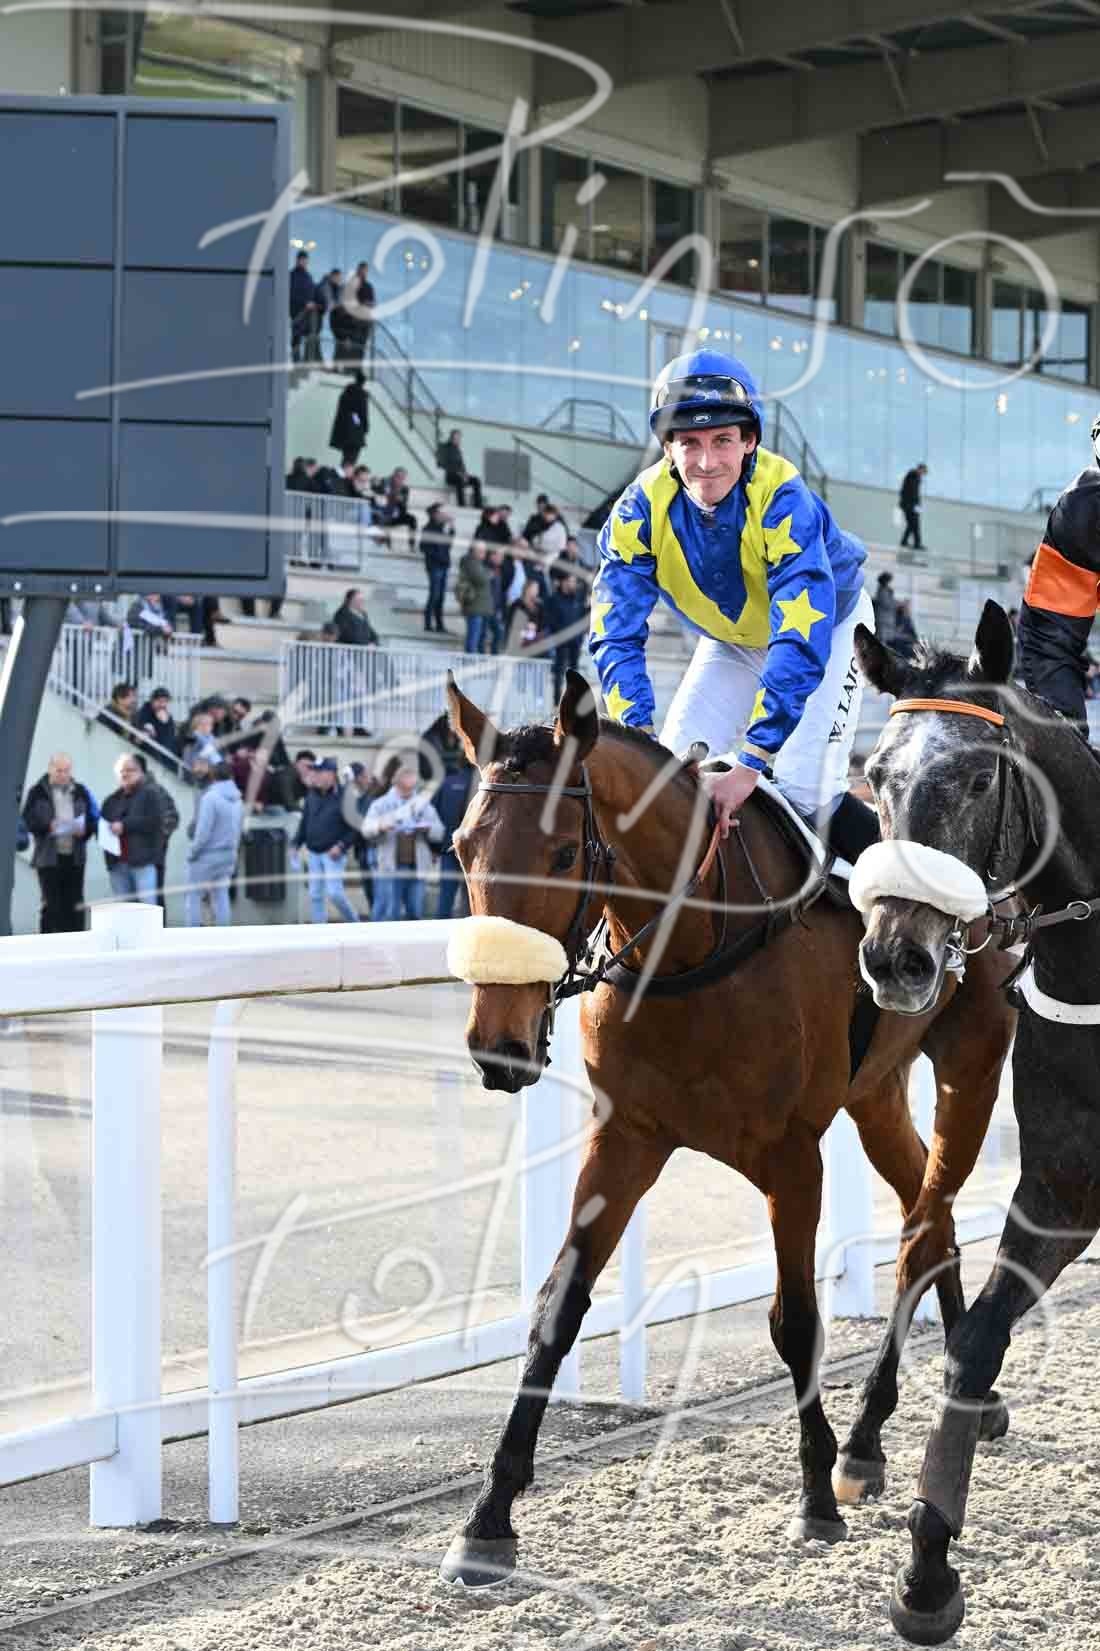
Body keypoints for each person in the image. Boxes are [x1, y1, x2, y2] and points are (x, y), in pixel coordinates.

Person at [589, 349, 874, 850]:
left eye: (722, 440)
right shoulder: (637, 510)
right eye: (689, 443)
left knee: (804, 786)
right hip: (732, 640)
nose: (706, 462)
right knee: (671, 778)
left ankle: (909, 880)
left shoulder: (782, 494)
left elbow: (800, 631)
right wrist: (637, 736)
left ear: (749, 441)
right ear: (668, 448)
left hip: (828, 630)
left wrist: (751, 762)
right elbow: (615, 635)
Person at [1016, 414, 1100, 729]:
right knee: (1066, 740)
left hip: (1059, 641)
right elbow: (1050, 641)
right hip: (1050, 643)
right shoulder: (1084, 506)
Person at [22, 753, 97, 933]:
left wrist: (85, 830)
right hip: (48, 858)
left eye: (66, 770)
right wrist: (47, 826)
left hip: (75, 857)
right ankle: (49, 942)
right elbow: (27, 820)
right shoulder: (37, 791)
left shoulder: (81, 791)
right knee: (51, 905)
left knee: (75, 904)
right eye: (59, 770)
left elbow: (93, 819)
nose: (63, 774)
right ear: (50, 769)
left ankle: (76, 941)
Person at [360, 765, 444, 921]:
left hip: (416, 866)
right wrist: (380, 826)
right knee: (389, 913)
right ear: (396, 783)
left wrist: (428, 828)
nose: (409, 792)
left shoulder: (423, 805)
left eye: (411, 788)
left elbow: (440, 832)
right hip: (390, 866)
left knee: (415, 912)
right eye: (405, 788)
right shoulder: (381, 804)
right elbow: (366, 829)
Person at [419, 714, 475, 919]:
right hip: (473, 852)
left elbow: (430, 815)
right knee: (472, 903)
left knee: (445, 900)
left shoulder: (447, 783)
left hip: (449, 849)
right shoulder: (483, 787)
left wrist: (434, 848)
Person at [293, 757, 360, 923]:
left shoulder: (345, 796)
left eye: (318, 772)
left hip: (333, 854)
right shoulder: (311, 795)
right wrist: (295, 844)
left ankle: (355, 923)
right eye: (314, 772)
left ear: (331, 774)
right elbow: (305, 823)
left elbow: (355, 828)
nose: (314, 776)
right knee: (315, 894)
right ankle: (320, 931)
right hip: (314, 853)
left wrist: (341, 846)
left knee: (335, 893)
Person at [184, 758, 244, 926]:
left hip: (207, 855)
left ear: (213, 776)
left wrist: (192, 853)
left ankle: (190, 935)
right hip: (228, 855)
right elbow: (238, 832)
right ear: (231, 776)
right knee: (221, 896)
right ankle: (224, 935)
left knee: (193, 895)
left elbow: (203, 833)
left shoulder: (210, 798)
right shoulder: (238, 800)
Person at [100, 752, 164, 904]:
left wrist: (125, 825)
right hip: (117, 865)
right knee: (124, 912)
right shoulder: (110, 801)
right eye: (122, 771)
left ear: (140, 773)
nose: (125, 774)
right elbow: (102, 826)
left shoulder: (150, 794)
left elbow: (154, 822)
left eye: (130, 770)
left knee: (147, 910)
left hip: (143, 863)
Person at [132, 752, 180, 914]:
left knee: (154, 897)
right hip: (134, 856)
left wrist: (157, 841)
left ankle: (158, 929)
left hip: (152, 855)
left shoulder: (154, 790)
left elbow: (172, 817)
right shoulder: (130, 791)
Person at [544, 573, 588, 702]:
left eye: (574, 581)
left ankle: (574, 700)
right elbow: (550, 619)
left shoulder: (578, 599)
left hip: (575, 641)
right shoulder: (554, 599)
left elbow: (582, 617)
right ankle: (557, 701)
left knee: (575, 672)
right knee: (559, 671)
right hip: (561, 641)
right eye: (570, 581)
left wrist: (580, 635)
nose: (572, 584)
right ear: (563, 582)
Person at [421, 502, 455, 634]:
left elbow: (448, 545)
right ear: (435, 514)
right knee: (434, 595)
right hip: (435, 566)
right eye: (441, 513)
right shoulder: (428, 528)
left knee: (441, 596)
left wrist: (451, 529)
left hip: (443, 565)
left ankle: (440, 625)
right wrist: (437, 556)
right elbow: (423, 547)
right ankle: (428, 623)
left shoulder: (442, 528)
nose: (444, 515)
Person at [456, 541, 494, 655]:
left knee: (481, 638)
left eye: (484, 551)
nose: (484, 554)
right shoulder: (470, 563)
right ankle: (469, 662)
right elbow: (481, 579)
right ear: (474, 551)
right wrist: (489, 574)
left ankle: (479, 661)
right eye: (481, 551)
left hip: (482, 607)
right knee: (473, 639)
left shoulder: (480, 564)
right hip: (474, 607)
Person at [329, 370, 369, 466]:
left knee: (346, 457)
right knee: (351, 459)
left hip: (343, 431)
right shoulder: (361, 394)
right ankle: (345, 473)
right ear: (363, 382)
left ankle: (344, 472)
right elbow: (362, 414)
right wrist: (364, 427)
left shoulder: (345, 393)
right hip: (354, 433)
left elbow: (342, 411)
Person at [289, 250, 322, 364]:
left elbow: (314, 292)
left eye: (305, 260)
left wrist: (319, 304)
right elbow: (291, 294)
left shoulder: (308, 276)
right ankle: (296, 362)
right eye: (302, 260)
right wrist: (305, 303)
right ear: (297, 260)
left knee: (310, 336)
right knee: (296, 337)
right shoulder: (292, 276)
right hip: (297, 312)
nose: (304, 262)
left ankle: (307, 361)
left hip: (309, 313)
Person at [437, 428, 482, 509]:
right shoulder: (444, 447)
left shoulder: (457, 449)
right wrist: (459, 474)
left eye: (459, 438)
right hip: (451, 476)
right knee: (459, 480)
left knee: (476, 480)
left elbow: (461, 465)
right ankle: (462, 505)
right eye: (456, 437)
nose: (458, 439)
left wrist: (465, 475)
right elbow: (442, 464)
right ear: (451, 437)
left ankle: (478, 505)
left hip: (460, 475)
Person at [134, 686, 179, 761]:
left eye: (165, 701)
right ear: (152, 701)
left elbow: (170, 738)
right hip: (147, 755)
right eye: (159, 701)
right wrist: (162, 724)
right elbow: (142, 734)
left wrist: (165, 723)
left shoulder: (167, 716)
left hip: (164, 756)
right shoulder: (144, 713)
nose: (162, 705)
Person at [504, 578, 545, 655]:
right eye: (534, 588)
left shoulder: (539, 605)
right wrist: (526, 625)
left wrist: (535, 627)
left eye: (537, 589)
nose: (536, 591)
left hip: (535, 636)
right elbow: (511, 622)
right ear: (527, 589)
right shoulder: (517, 604)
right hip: (519, 636)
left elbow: (543, 623)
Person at [380, 467, 418, 548]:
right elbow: (382, 494)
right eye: (398, 477)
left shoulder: (405, 489)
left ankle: (412, 544)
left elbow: (404, 507)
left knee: (412, 519)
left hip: (397, 515)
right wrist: (392, 494)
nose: (400, 480)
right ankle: (387, 545)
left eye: (403, 478)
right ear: (393, 476)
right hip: (385, 513)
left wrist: (400, 501)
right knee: (385, 520)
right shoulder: (386, 483)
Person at [899, 462, 927, 550]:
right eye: (923, 472)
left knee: (911, 524)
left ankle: (904, 541)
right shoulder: (913, 476)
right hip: (910, 505)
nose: (923, 474)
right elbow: (912, 493)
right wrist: (916, 505)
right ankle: (917, 544)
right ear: (920, 469)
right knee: (915, 524)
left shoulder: (914, 477)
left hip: (911, 505)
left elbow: (914, 493)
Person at [872, 571, 898, 647]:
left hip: (886, 620)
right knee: (881, 640)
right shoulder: (882, 591)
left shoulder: (887, 591)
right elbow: (887, 604)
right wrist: (897, 604)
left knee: (884, 641)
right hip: (883, 620)